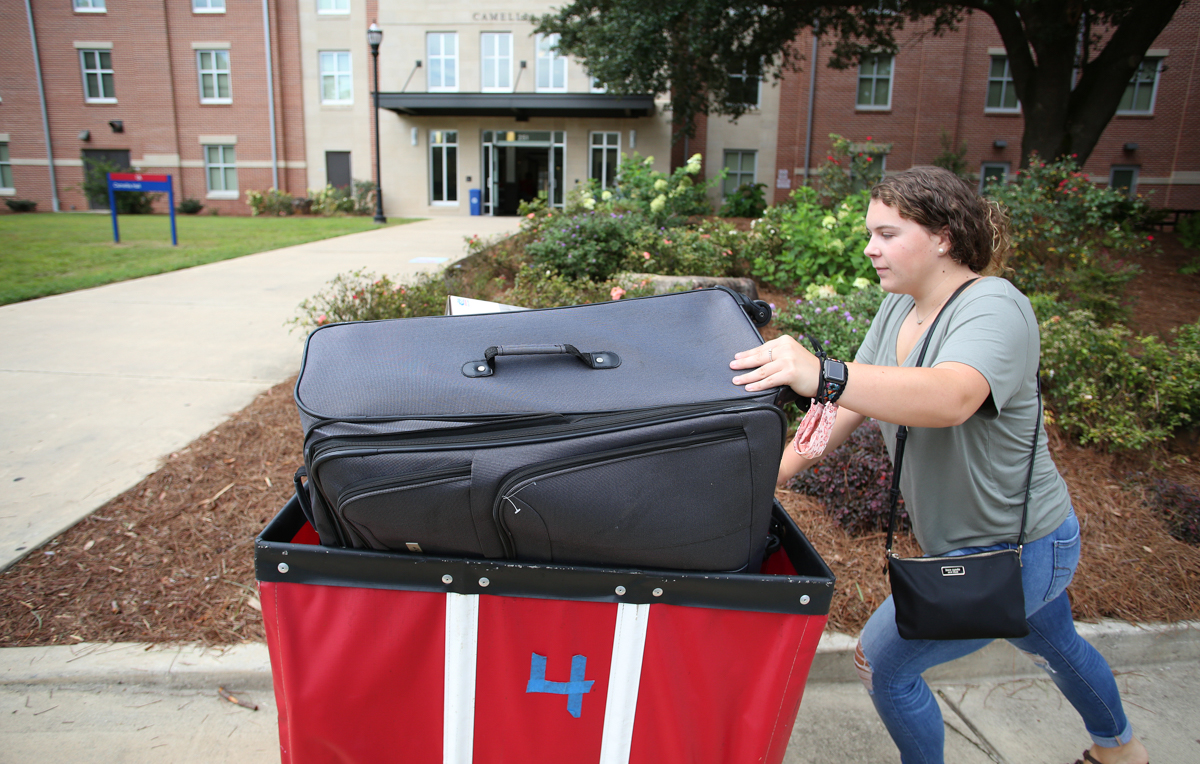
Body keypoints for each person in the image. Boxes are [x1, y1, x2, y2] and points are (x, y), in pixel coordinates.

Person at [729, 167, 1149, 764]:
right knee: (1056, 646)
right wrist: (766, 473)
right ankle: (1122, 752)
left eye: (887, 233)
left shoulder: (994, 306)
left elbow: (952, 397)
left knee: (883, 664)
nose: (870, 247)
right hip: (981, 547)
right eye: (870, 233)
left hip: (1021, 548)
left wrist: (823, 371)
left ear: (945, 236)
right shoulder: (898, 308)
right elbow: (841, 406)